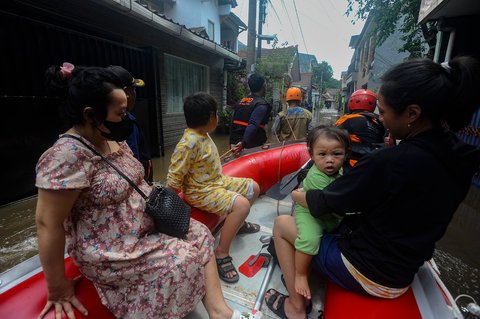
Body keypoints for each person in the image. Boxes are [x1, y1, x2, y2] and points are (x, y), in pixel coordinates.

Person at [37, 63, 258, 319]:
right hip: (113, 246)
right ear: (90, 115)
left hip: (144, 226)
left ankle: (220, 311)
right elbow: (46, 223)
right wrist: (56, 286)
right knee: (183, 257)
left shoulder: (112, 139)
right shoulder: (66, 157)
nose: (126, 116)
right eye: (120, 112)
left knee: (199, 232)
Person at [265, 56, 480, 319]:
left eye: (384, 111)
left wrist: (299, 195)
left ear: (412, 113)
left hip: (370, 272)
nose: (381, 119)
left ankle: (295, 307)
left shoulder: (389, 162)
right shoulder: (463, 156)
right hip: (403, 267)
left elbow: (326, 202)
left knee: (281, 225)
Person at [166, 92, 261, 284]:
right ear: (211, 117)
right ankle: (221, 252)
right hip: (201, 192)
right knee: (242, 205)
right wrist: (168, 208)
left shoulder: (203, 134)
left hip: (217, 181)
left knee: (254, 187)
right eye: (216, 114)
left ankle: (238, 225)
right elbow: (174, 178)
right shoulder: (188, 143)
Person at [291, 126, 349, 301]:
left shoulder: (340, 172)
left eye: (337, 154)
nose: (330, 160)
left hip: (326, 212)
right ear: (312, 155)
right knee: (309, 239)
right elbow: (327, 206)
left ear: (346, 154)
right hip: (309, 212)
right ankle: (300, 274)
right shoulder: (317, 177)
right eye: (322, 155)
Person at [106, 65, 153, 184]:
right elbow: (134, 159)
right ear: (126, 92)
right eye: (134, 90)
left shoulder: (103, 123)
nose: (135, 94)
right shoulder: (126, 123)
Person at [335, 89, 386, 168]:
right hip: (376, 161)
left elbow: (331, 133)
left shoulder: (348, 119)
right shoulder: (378, 121)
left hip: (354, 164)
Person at [230, 73, 272, 154]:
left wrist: (231, 143)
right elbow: (253, 124)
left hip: (235, 144)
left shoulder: (241, 101)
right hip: (248, 145)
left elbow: (232, 122)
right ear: (263, 86)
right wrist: (243, 143)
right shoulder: (261, 104)